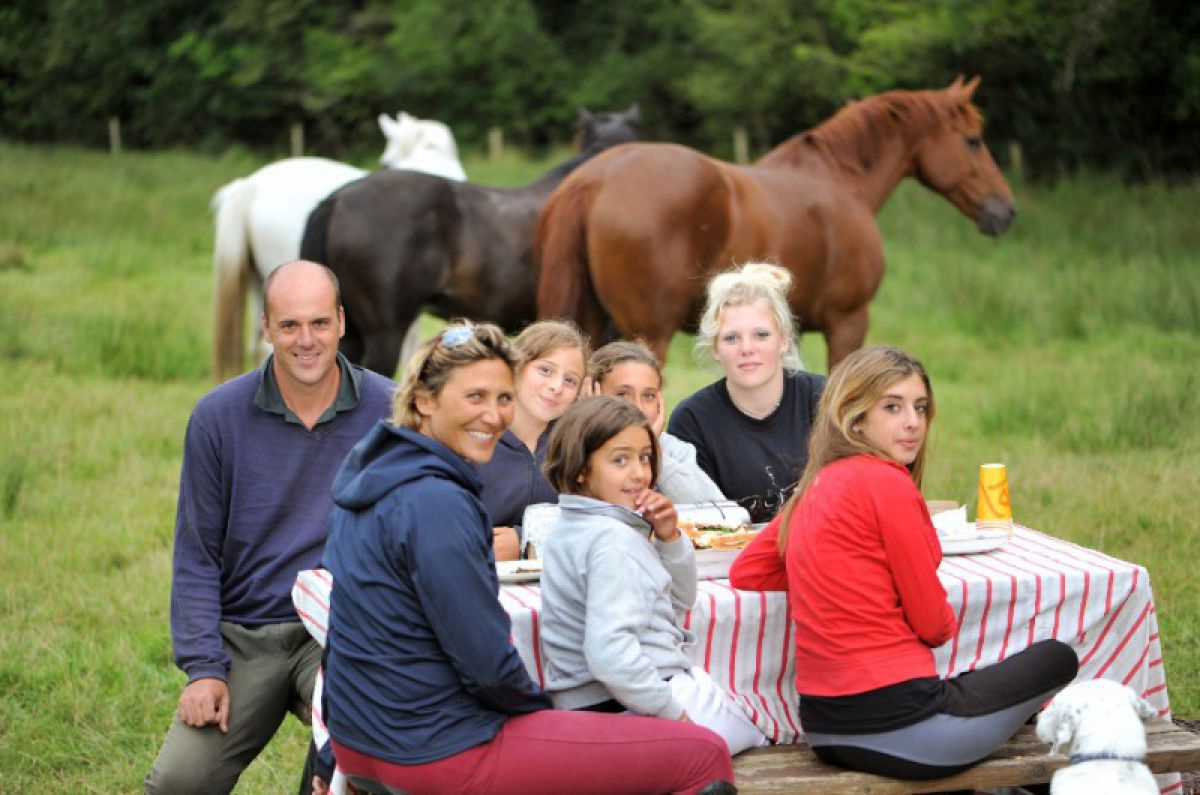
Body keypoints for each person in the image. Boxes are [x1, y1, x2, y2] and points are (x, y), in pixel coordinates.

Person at [319, 322, 736, 795]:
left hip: (362, 738)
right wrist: (545, 718)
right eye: (474, 397)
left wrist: (334, 750)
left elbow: (343, 633)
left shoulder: (375, 473)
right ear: (423, 401)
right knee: (703, 752)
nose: (494, 415)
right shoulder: (435, 501)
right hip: (437, 747)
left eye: (502, 398)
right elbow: (487, 661)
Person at [729, 346, 1078, 778]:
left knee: (978, 679)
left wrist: (844, 570)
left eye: (920, 407)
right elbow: (935, 626)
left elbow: (747, 571)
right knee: (1057, 657)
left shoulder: (814, 485)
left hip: (826, 730)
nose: (913, 422)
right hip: (906, 730)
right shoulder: (886, 482)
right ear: (854, 416)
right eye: (892, 407)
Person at [145, 260, 394, 794]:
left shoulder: (389, 410)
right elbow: (196, 554)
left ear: (343, 322)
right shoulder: (217, 416)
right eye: (290, 325)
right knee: (178, 783)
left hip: (341, 630)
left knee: (377, 760)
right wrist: (204, 668)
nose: (307, 340)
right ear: (265, 328)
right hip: (245, 635)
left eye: (320, 323)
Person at [539, 396, 768, 755]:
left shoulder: (575, 526)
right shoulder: (612, 540)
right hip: (627, 704)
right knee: (761, 728)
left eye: (644, 457)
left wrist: (669, 538)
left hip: (589, 707)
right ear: (580, 468)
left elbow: (678, 600)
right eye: (620, 460)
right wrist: (674, 716)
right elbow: (610, 656)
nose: (639, 473)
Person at [668, 263, 826, 523]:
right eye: (731, 338)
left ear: (784, 340)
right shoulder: (693, 421)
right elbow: (703, 526)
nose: (747, 348)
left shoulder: (824, 399)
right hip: (733, 559)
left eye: (761, 335)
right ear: (715, 348)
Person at [476, 319, 588, 560]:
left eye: (570, 380)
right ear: (515, 367)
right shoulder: (476, 437)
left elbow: (593, 519)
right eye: (545, 370)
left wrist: (522, 539)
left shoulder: (575, 446)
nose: (556, 387)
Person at [588, 341, 726, 505]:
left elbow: (718, 511)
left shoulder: (674, 451)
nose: (637, 407)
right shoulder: (574, 447)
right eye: (622, 394)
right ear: (594, 394)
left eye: (648, 396)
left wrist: (653, 450)